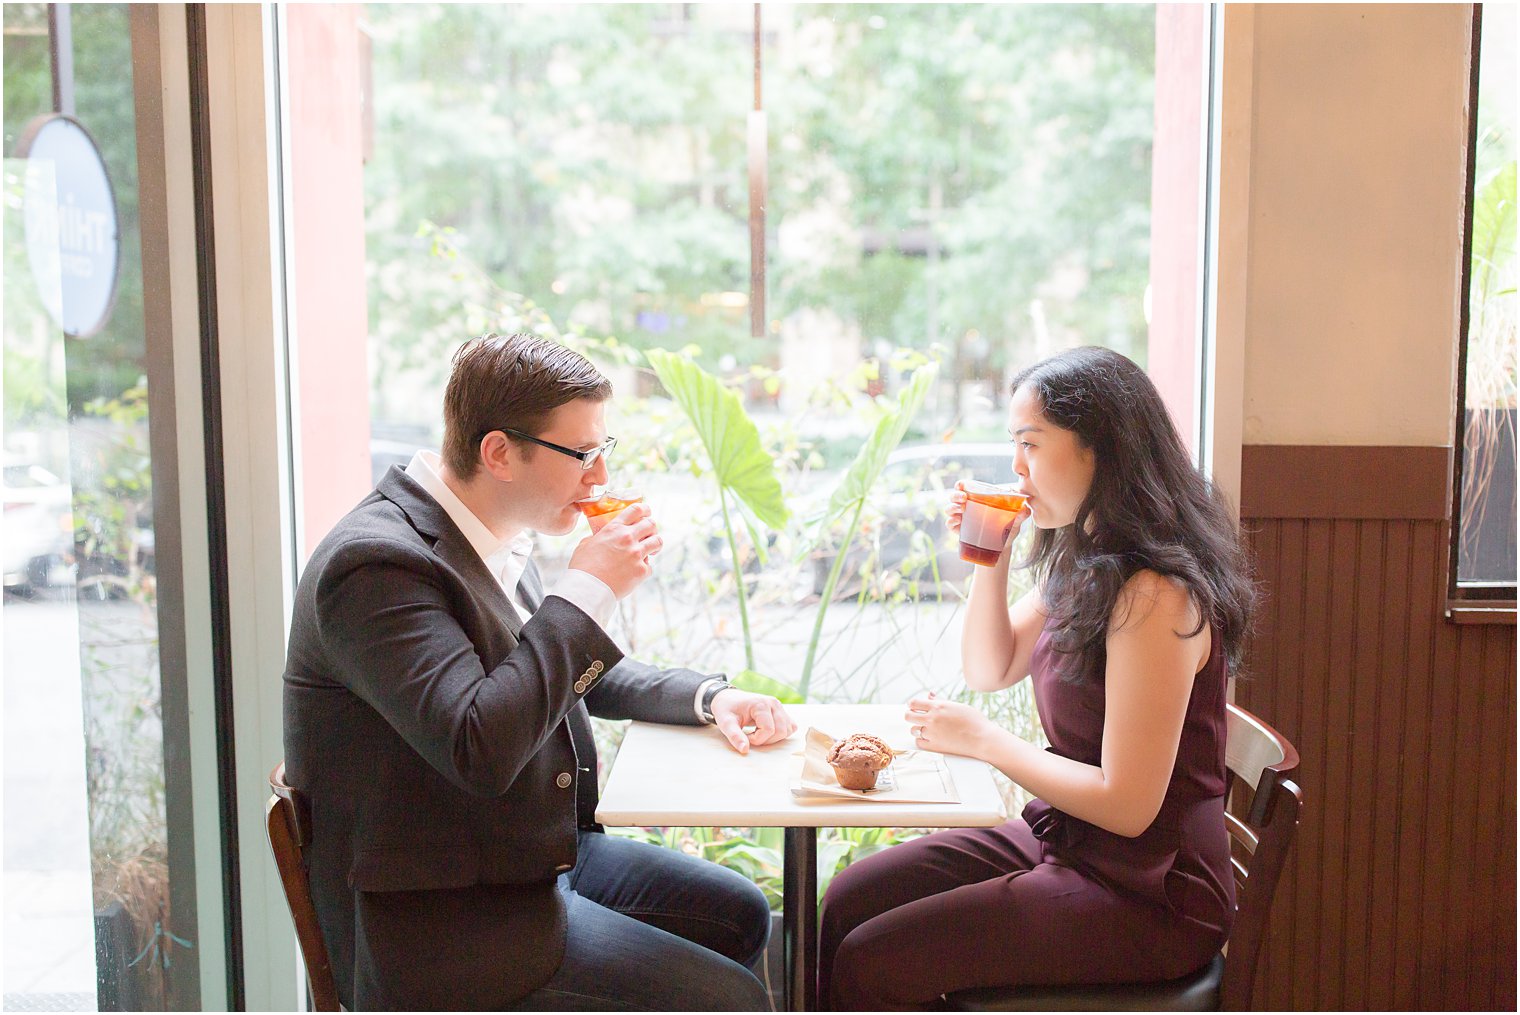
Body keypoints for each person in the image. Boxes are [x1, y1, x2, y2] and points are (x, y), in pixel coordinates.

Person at [283, 332, 796, 1011]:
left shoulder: (483, 536)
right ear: (499, 452)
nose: (600, 478)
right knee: (733, 1000)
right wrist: (586, 591)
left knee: (739, 912)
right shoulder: (377, 567)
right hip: (443, 923)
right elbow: (479, 744)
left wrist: (707, 697)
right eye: (582, 454)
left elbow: (566, 674)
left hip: (522, 861)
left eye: (601, 450)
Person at [816, 346, 1257, 1010]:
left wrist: (986, 741)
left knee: (870, 961)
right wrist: (987, 554)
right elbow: (988, 666)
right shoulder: (1088, 558)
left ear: (1099, 450)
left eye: (1031, 444)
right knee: (848, 899)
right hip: (1077, 841)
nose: (1016, 468)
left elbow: (1128, 803)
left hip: (1149, 892)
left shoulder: (1154, 593)